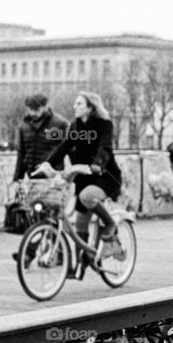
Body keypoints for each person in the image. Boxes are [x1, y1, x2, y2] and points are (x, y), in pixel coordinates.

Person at [34, 92, 122, 246]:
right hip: (84, 178)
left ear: (90, 107)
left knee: (86, 196)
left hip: (104, 176)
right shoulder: (76, 126)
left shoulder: (104, 124)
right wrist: (47, 163)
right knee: (81, 224)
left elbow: (105, 147)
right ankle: (79, 266)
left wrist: (98, 163)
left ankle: (110, 223)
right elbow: (64, 146)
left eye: (79, 103)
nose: (75, 106)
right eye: (75, 103)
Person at [13, 93, 69, 181]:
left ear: (46, 107)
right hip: (31, 177)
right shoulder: (24, 126)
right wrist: (17, 179)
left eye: (37, 109)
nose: (33, 113)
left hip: (53, 178)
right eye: (30, 109)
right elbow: (21, 154)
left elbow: (69, 148)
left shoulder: (59, 124)